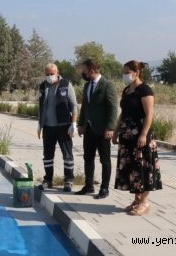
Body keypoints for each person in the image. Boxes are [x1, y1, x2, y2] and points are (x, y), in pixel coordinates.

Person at [113, 60, 162, 215]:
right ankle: (137, 199)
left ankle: (144, 202)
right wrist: (116, 131)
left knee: (144, 168)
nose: (125, 75)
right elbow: (123, 113)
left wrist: (143, 134)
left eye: (127, 72)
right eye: (124, 72)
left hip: (141, 135)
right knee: (133, 168)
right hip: (127, 136)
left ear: (136, 72)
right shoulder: (127, 90)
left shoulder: (145, 90)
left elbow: (149, 114)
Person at [76, 59, 118, 199]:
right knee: (88, 158)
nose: (83, 73)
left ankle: (104, 188)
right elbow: (85, 107)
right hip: (89, 129)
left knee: (104, 160)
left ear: (92, 70)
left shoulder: (107, 85)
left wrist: (110, 127)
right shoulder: (87, 86)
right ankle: (89, 185)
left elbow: (113, 108)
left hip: (102, 129)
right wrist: (80, 124)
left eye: (84, 70)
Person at [37, 63, 78, 191]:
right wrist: (40, 124)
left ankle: (69, 180)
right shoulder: (43, 86)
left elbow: (74, 105)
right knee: (48, 155)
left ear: (57, 72)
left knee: (67, 154)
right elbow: (41, 106)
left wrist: (73, 124)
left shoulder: (66, 84)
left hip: (63, 126)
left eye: (52, 74)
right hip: (48, 127)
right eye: (47, 74)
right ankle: (48, 180)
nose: (50, 76)